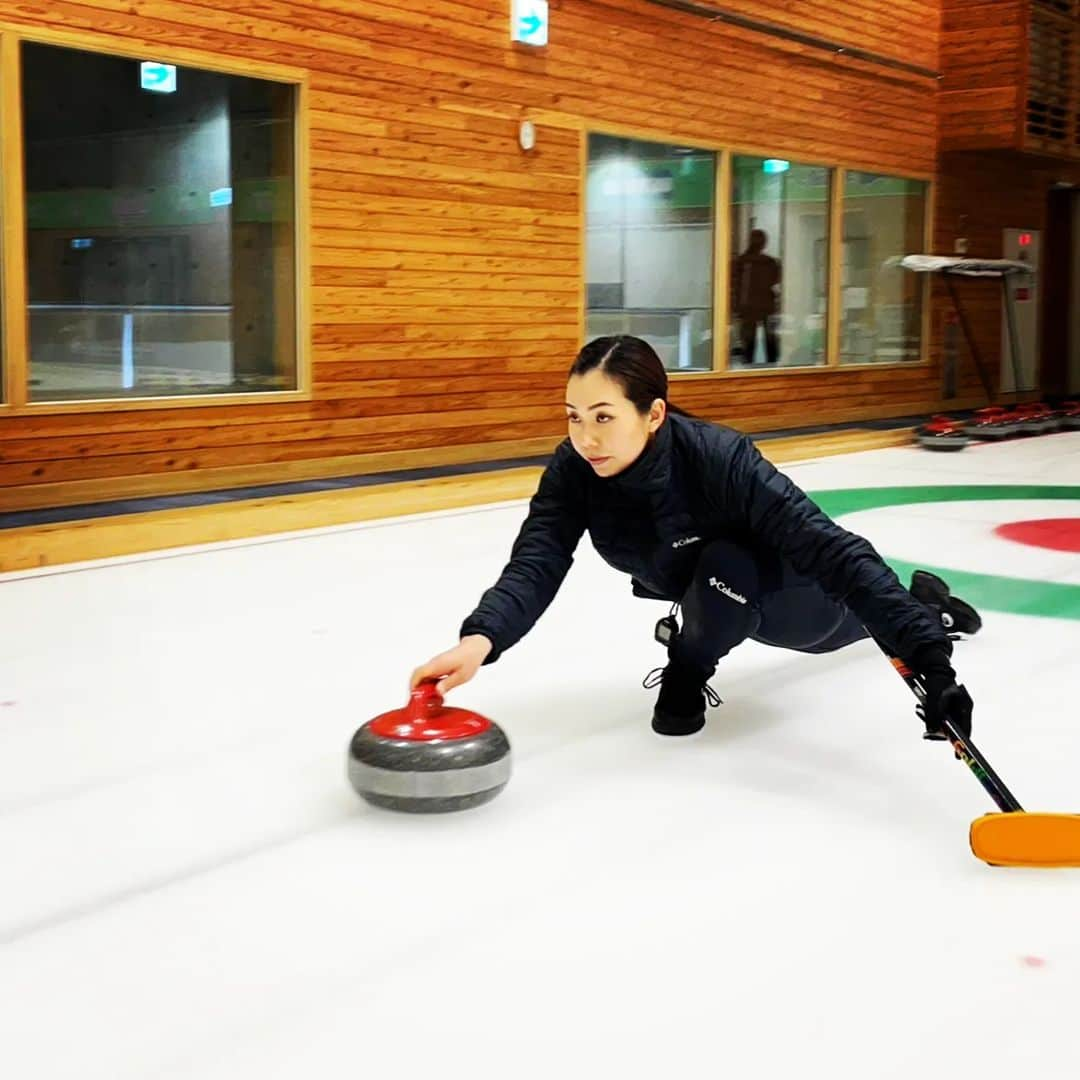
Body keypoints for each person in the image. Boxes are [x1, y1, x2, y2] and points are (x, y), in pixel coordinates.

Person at [411, 335, 978, 740]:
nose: (586, 437)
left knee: (739, 568)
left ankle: (926, 610)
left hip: (800, 602)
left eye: (604, 417)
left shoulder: (719, 458)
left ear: (653, 413)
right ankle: (692, 662)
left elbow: (829, 548)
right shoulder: (575, 471)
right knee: (716, 570)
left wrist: (931, 660)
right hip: (718, 599)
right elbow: (538, 558)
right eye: (573, 416)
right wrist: (479, 641)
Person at [732, 228, 781, 365]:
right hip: (766, 306)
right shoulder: (770, 263)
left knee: (749, 345)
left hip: (748, 307)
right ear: (764, 243)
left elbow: (735, 286)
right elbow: (775, 282)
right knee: (770, 342)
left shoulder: (741, 262)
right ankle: (772, 367)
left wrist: (736, 308)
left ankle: (749, 368)